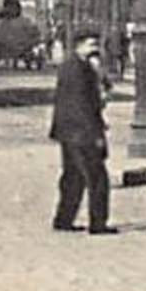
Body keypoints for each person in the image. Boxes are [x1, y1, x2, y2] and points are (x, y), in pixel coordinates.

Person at [49, 31, 115, 235]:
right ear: (79, 46)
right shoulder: (79, 69)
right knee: (97, 178)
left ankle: (63, 219)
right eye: (91, 44)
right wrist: (96, 134)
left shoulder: (71, 66)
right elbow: (82, 105)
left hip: (67, 131)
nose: (96, 49)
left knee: (73, 176)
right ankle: (98, 224)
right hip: (82, 132)